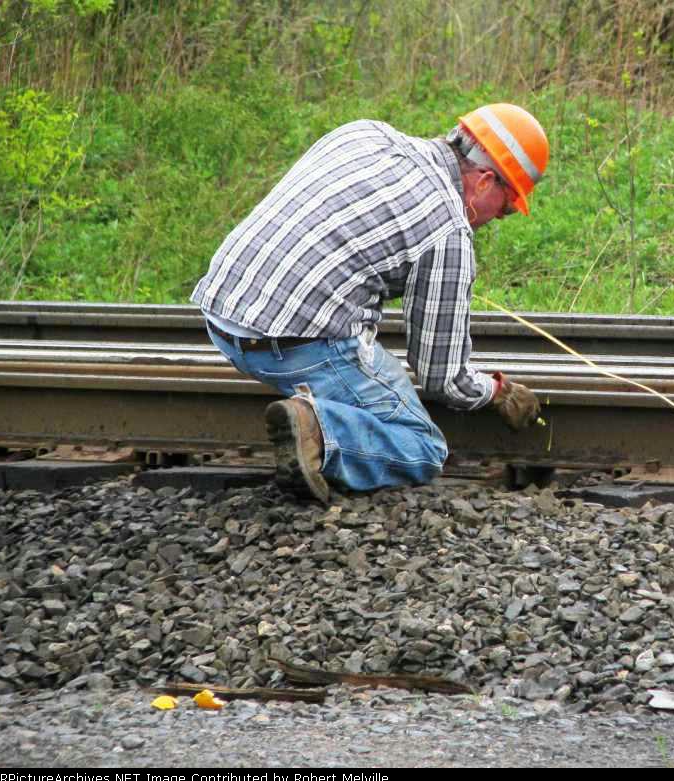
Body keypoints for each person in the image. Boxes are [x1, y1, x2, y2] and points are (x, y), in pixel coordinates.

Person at [190, 104, 546, 503]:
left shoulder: (364, 134)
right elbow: (443, 377)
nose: (497, 218)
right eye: (505, 207)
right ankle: (319, 431)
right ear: (483, 182)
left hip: (221, 314)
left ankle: (315, 412)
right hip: (290, 344)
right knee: (423, 447)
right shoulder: (448, 232)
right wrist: (497, 391)